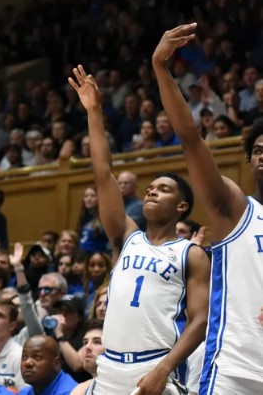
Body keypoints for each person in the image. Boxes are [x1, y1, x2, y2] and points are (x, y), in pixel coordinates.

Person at [69, 64, 210, 394]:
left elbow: (200, 321)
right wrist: (94, 111)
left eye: (163, 189)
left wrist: (164, 369)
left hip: (154, 365)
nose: (151, 191)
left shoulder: (191, 253)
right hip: (109, 368)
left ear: (182, 207)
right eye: (150, 187)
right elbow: (103, 173)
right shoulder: (126, 236)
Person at [151, 22, 263, 393]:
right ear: (249, 161)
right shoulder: (235, 210)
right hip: (234, 368)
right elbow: (191, 139)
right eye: (258, 150)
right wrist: (161, 69)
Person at [70, 320, 105, 395]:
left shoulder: (133, 387)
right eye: (85, 343)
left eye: (97, 342)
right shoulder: (79, 390)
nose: (87, 347)